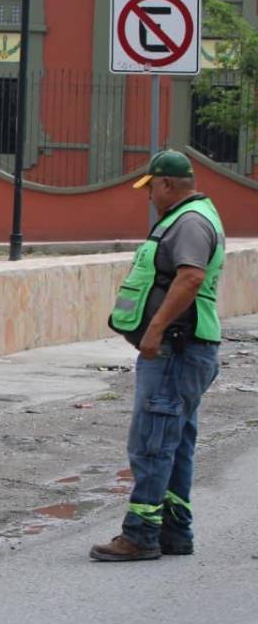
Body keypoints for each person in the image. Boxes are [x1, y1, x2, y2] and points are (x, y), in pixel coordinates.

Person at [92, 150, 225, 562]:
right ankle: (174, 531)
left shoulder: (189, 223)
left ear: (166, 184)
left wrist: (154, 330)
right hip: (186, 348)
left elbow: (190, 277)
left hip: (176, 349)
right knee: (174, 441)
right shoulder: (190, 217)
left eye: (151, 188)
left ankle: (141, 535)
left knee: (152, 443)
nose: (149, 196)